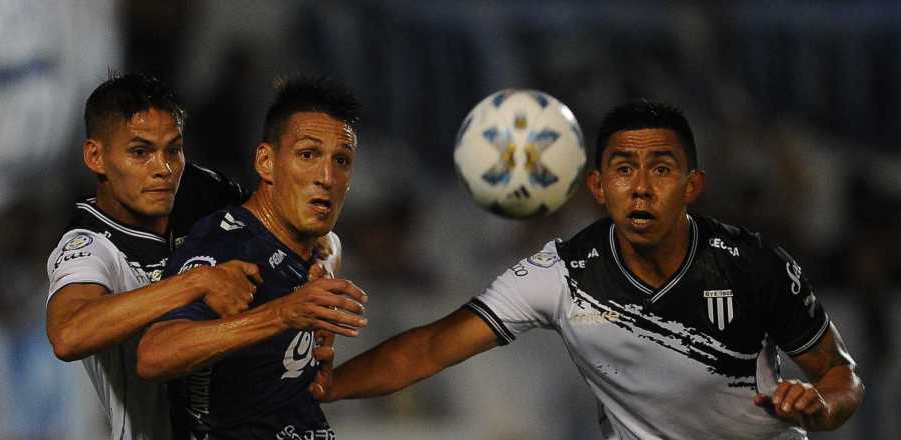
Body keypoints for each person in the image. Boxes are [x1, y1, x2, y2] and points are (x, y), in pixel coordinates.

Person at [312, 101, 864, 439]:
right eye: (624, 169)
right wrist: (330, 387)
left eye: (661, 169)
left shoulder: (754, 265)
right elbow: (431, 348)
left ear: (692, 185)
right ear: (597, 187)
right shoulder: (562, 274)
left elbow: (841, 376)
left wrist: (822, 405)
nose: (641, 187)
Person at [44, 73, 341, 440]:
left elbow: (305, 229)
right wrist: (196, 282)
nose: (164, 169)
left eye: (173, 150)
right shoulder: (90, 244)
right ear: (96, 156)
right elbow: (68, 335)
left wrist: (321, 268)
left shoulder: (202, 192)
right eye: (140, 152)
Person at [137, 76, 368, 439]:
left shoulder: (310, 248)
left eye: (341, 160)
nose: (327, 176)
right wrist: (282, 314)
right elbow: (154, 353)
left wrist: (325, 263)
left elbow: (330, 242)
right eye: (308, 155)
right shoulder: (229, 247)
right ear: (266, 162)